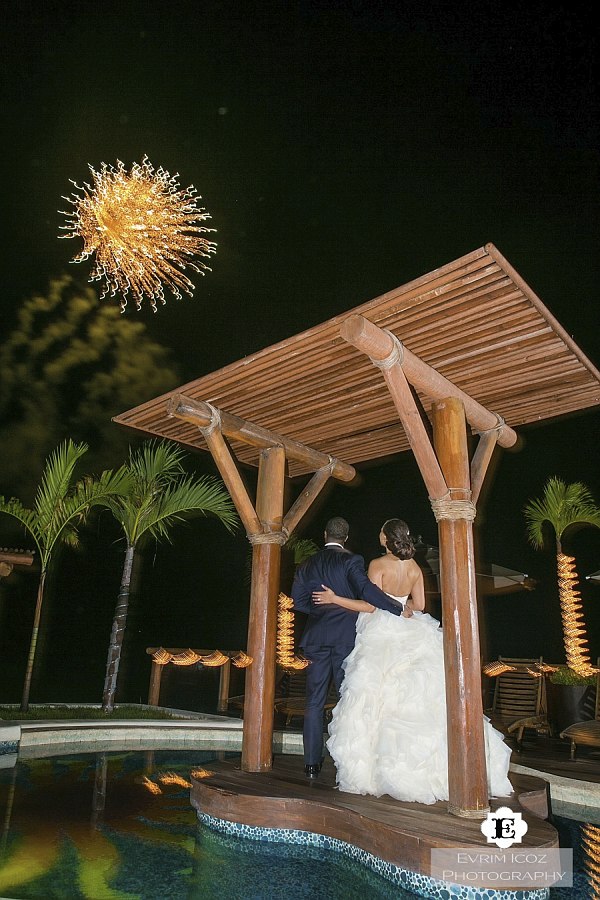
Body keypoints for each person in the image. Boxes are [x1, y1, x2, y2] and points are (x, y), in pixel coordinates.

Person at [313, 518, 512, 804]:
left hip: (381, 631)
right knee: (421, 695)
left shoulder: (377, 565)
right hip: (409, 628)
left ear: (385, 539)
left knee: (375, 696)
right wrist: (404, 606)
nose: (379, 535)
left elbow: (370, 605)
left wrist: (334, 599)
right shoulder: (416, 569)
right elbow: (418, 606)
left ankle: (375, 770)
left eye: (381, 532)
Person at [290, 516, 408, 778]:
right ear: (346, 538)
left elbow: (298, 602)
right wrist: (397, 608)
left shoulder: (308, 564)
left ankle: (311, 765)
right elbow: (366, 591)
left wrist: (320, 610)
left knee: (314, 702)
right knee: (348, 700)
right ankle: (347, 763)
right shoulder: (350, 561)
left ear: (324, 535)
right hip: (346, 638)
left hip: (316, 639)